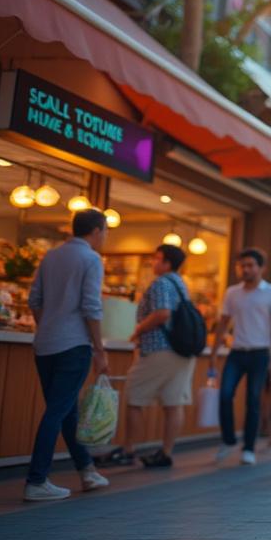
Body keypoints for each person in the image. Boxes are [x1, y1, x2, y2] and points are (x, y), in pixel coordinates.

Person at [24, 209, 111, 501]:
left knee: (65, 410)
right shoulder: (91, 259)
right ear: (97, 231)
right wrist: (99, 349)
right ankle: (36, 480)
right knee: (57, 411)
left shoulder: (51, 256)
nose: (105, 237)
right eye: (106, 231)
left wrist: (49, 326)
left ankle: (87, 470)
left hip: (45, 344)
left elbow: (34, 299)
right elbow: (91, 307)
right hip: (73, 346)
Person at [210, 249, 271, 465]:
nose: (246, 269)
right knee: (225, 395)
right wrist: (214, 353)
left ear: (261, 268)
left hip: (260, 353)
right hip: (236, 352)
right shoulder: (232, 293)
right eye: (242, 265)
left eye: (250, 265)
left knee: (253, 400)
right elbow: (223, 324)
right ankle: (228, 440)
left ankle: (249, 448)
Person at [123, 244, 195, 468]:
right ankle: (165, 452)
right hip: (183, 351)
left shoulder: (161, 283)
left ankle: (128, 449)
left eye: (156, 259)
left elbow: (162, 313)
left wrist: (138, 330)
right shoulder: (181, 284)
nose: (153, 263)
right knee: (173, 402)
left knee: (134, 396)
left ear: (167, 263)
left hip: (158, 348)